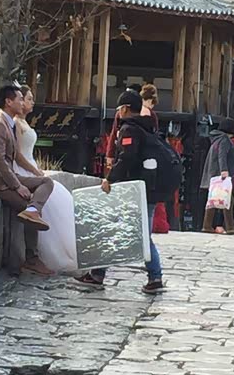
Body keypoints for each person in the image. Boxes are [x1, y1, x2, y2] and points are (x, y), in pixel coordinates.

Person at [76, 89, 165, 293]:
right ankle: (99, 273)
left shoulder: (129, 129)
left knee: (132, 232)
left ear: (125, 108)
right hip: (148, 187)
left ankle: (155, 276)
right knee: (122, 229)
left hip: (132, 190)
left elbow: (127, 158)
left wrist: (110, 178)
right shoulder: (149, 126)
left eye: (119, 108)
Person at [0, 85, 54, 275]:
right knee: (25, 205)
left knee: (46, 183)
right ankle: (30, 258)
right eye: (19, 99)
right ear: (8, 102)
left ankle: (33, 211)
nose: (22, 103)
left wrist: (32, 173)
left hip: (5, 178)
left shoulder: (8, 122)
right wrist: (17, 186)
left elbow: (14, 156)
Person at [15, 86, 78, 271]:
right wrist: (34, 171)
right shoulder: (16, 123)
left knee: (60, 196)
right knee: (52, 194)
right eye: (28, 99)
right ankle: (40, 255)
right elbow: (17, 154)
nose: (32, 102)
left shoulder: (24, 122)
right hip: (24, 169)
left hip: (32, 166)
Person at [199, 118, 234, 234]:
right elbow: (222, 155)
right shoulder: (224, 139)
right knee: (227, 199)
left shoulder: (216, 139)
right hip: (220, 174)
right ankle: (230, 226)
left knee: (214, 199)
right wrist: (224, 170)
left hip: (213, 173)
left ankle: (207, 225)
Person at [105, 83, 143, 171]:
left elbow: (126, 156)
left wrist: (112, 175)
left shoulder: (127, 128)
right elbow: (114, 133)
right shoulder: (149, 117)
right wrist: (109, 154)